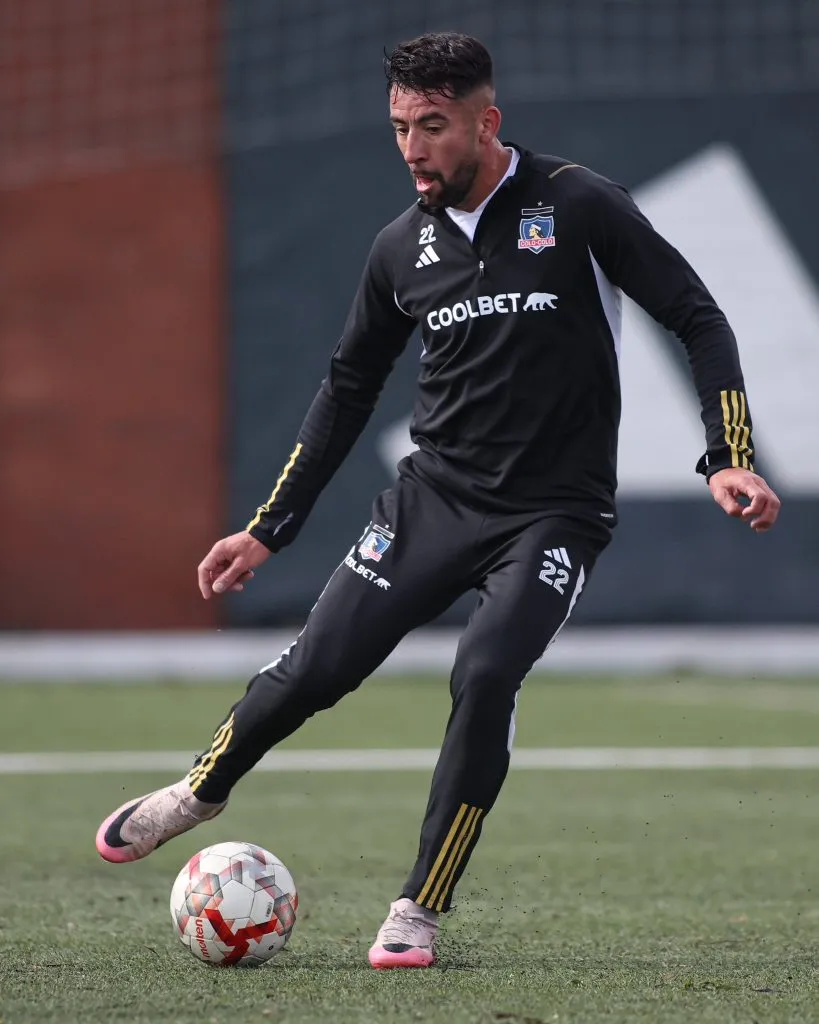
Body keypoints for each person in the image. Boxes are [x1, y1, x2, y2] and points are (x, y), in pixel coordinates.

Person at [96, 31, 781, 969]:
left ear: (484, 122)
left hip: (552, 513)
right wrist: (267, 531)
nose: (413, 147)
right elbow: (345, 394)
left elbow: (696, 315)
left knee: (486, 674)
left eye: (432, 125)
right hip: (432, 502)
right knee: (313, 672)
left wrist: (725, 456)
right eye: (398, 127)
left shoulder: (575, 206)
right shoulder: (397, 249)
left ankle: (418, 904)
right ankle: (200, 793)